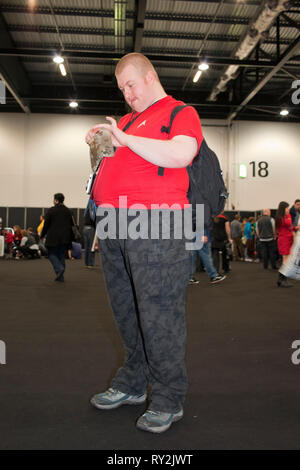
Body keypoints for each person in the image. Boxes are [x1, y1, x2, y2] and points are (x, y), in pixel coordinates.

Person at [85, 52, 203, 433]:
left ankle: (169, 396)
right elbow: (115, 164)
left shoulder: (178, 112)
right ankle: (134, 382)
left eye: (131, 85)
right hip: (114, 222)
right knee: (126, 310)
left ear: (150, 76)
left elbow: (181, 153)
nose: (127, 95)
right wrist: (102, 141)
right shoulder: (126, 122)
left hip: (157, 221)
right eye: (122, 89)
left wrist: (125, 138)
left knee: (160, 313)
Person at [41, 193, 73, 282]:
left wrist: (42, 235)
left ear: (56, 200)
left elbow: (46, 224)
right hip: (65, 237)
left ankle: (59, 269)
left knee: (51, 254)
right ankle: (61, 277)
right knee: (61, 255)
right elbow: (71, 225)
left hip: (53, 237)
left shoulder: (51, 210)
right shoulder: (68, 211)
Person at [276, 201, 299, 287]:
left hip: (288, 239)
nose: (288, 209)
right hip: (284, 240)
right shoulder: (280, 218)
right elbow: (288, 224)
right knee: (285, 261)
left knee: (286, 260)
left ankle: (281, 280)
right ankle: (282, 280)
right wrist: (289, 219)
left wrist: (296, 227)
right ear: (283, 208)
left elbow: (290, 227)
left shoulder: (285, 217)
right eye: (286, 208)